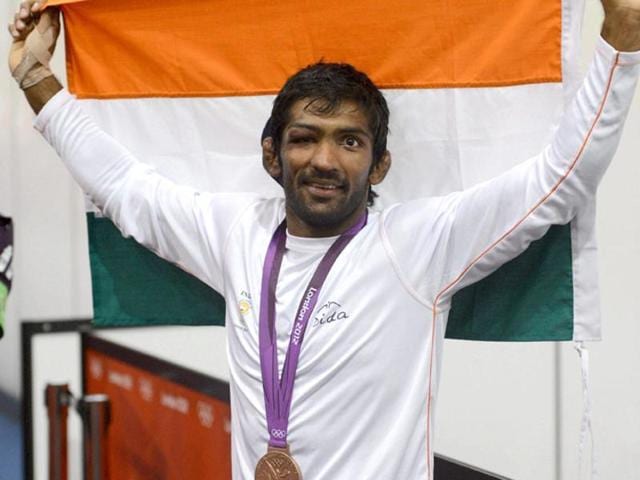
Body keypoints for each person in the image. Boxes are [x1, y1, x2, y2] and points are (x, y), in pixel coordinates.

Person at [8, 1, 640, 478]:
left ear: (381, 165)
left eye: (350, 140)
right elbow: (126, 189)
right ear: (271, 155)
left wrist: (622, 42)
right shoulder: (237, 233)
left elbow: (561, 177)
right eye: (305, 137)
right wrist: (34, 73)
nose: (325, 160)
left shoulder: (418, 246)